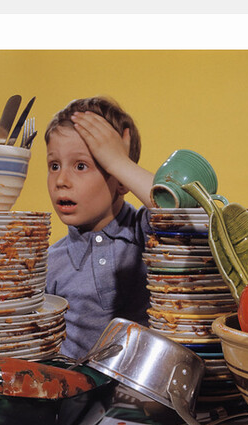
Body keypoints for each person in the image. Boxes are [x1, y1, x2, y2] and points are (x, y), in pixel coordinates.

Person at [44, 96, 156, 359]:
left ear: (121, 180)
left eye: (81, 166)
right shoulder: (49, 263)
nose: (61, 180)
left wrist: (119, 163)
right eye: (54, 166)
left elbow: (181, 212)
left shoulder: (145, 233)